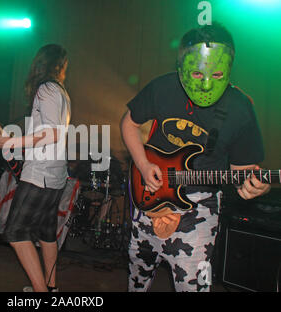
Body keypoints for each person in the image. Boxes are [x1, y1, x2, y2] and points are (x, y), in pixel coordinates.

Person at [120, 23, 271, 292]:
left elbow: (243, 173)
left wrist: (255, 186)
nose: (206, 83)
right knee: (136, 281)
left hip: (199, 210)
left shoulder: (239, 107)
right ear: (181, 67)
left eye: (216, 74)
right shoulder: (163, 87)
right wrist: (143, 165)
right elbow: (129, 123)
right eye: (197, 73)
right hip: (149, 198)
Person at [0, 43, 71, 292]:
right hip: (55, 173)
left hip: (41, 174)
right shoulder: (59, 92)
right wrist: (15, 141)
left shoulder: (46, 89)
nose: (65, 70)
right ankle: (51, 286)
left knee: (15, 233)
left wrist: (11, 141)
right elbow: (47, 134)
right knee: (47, 232)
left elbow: (51, 134)